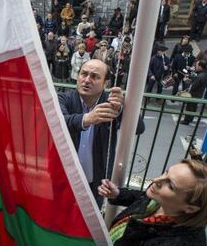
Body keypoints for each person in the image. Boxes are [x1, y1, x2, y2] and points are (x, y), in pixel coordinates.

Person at [98, 159, 207, 246]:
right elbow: (143, 199)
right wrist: (118, 194)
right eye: (166, 173)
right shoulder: (165, 203)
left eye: (171, 186)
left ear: (190, 208)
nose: (156, 179)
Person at [58, 59, 145, 206]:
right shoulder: (64, 98)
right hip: (63, 177)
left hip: (95, 180)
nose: (87, 80)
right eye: (83, 74)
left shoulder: (111, 103)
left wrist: (122, 109)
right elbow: (59, 122)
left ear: (106, 83)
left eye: (94, 76)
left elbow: (139, 128)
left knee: (89, 221)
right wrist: (87, 119)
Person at [181, 60, 207, 125]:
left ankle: (186, 121)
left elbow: (193, 86)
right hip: (199, 94)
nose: (195, 66)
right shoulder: (205, 73)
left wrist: (186, 81)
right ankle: (190, 119)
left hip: (194, 94)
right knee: (193, 107)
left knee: (189, 108)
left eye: (197, 65)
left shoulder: (200, 76)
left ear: (200, 66)